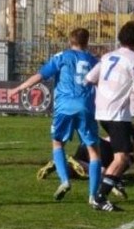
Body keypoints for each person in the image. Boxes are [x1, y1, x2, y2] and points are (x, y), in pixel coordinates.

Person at [8, 27, 101, 202]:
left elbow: (40, 75)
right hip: (86, 107)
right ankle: (93, 195)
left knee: (58, 144)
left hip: (64, 107)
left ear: (70, 41)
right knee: (93, 151)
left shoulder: (61, 57)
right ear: (87, 42)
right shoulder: (94, 61)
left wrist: (19, 88)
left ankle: (65, 181)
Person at [84, 20, 134, 211]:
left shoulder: (108, 56)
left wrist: (107, 89)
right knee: (121, 158)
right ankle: (100, 196)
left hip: (102, 111)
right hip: (117, 113)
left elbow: (89, 79)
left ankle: (112, 180)